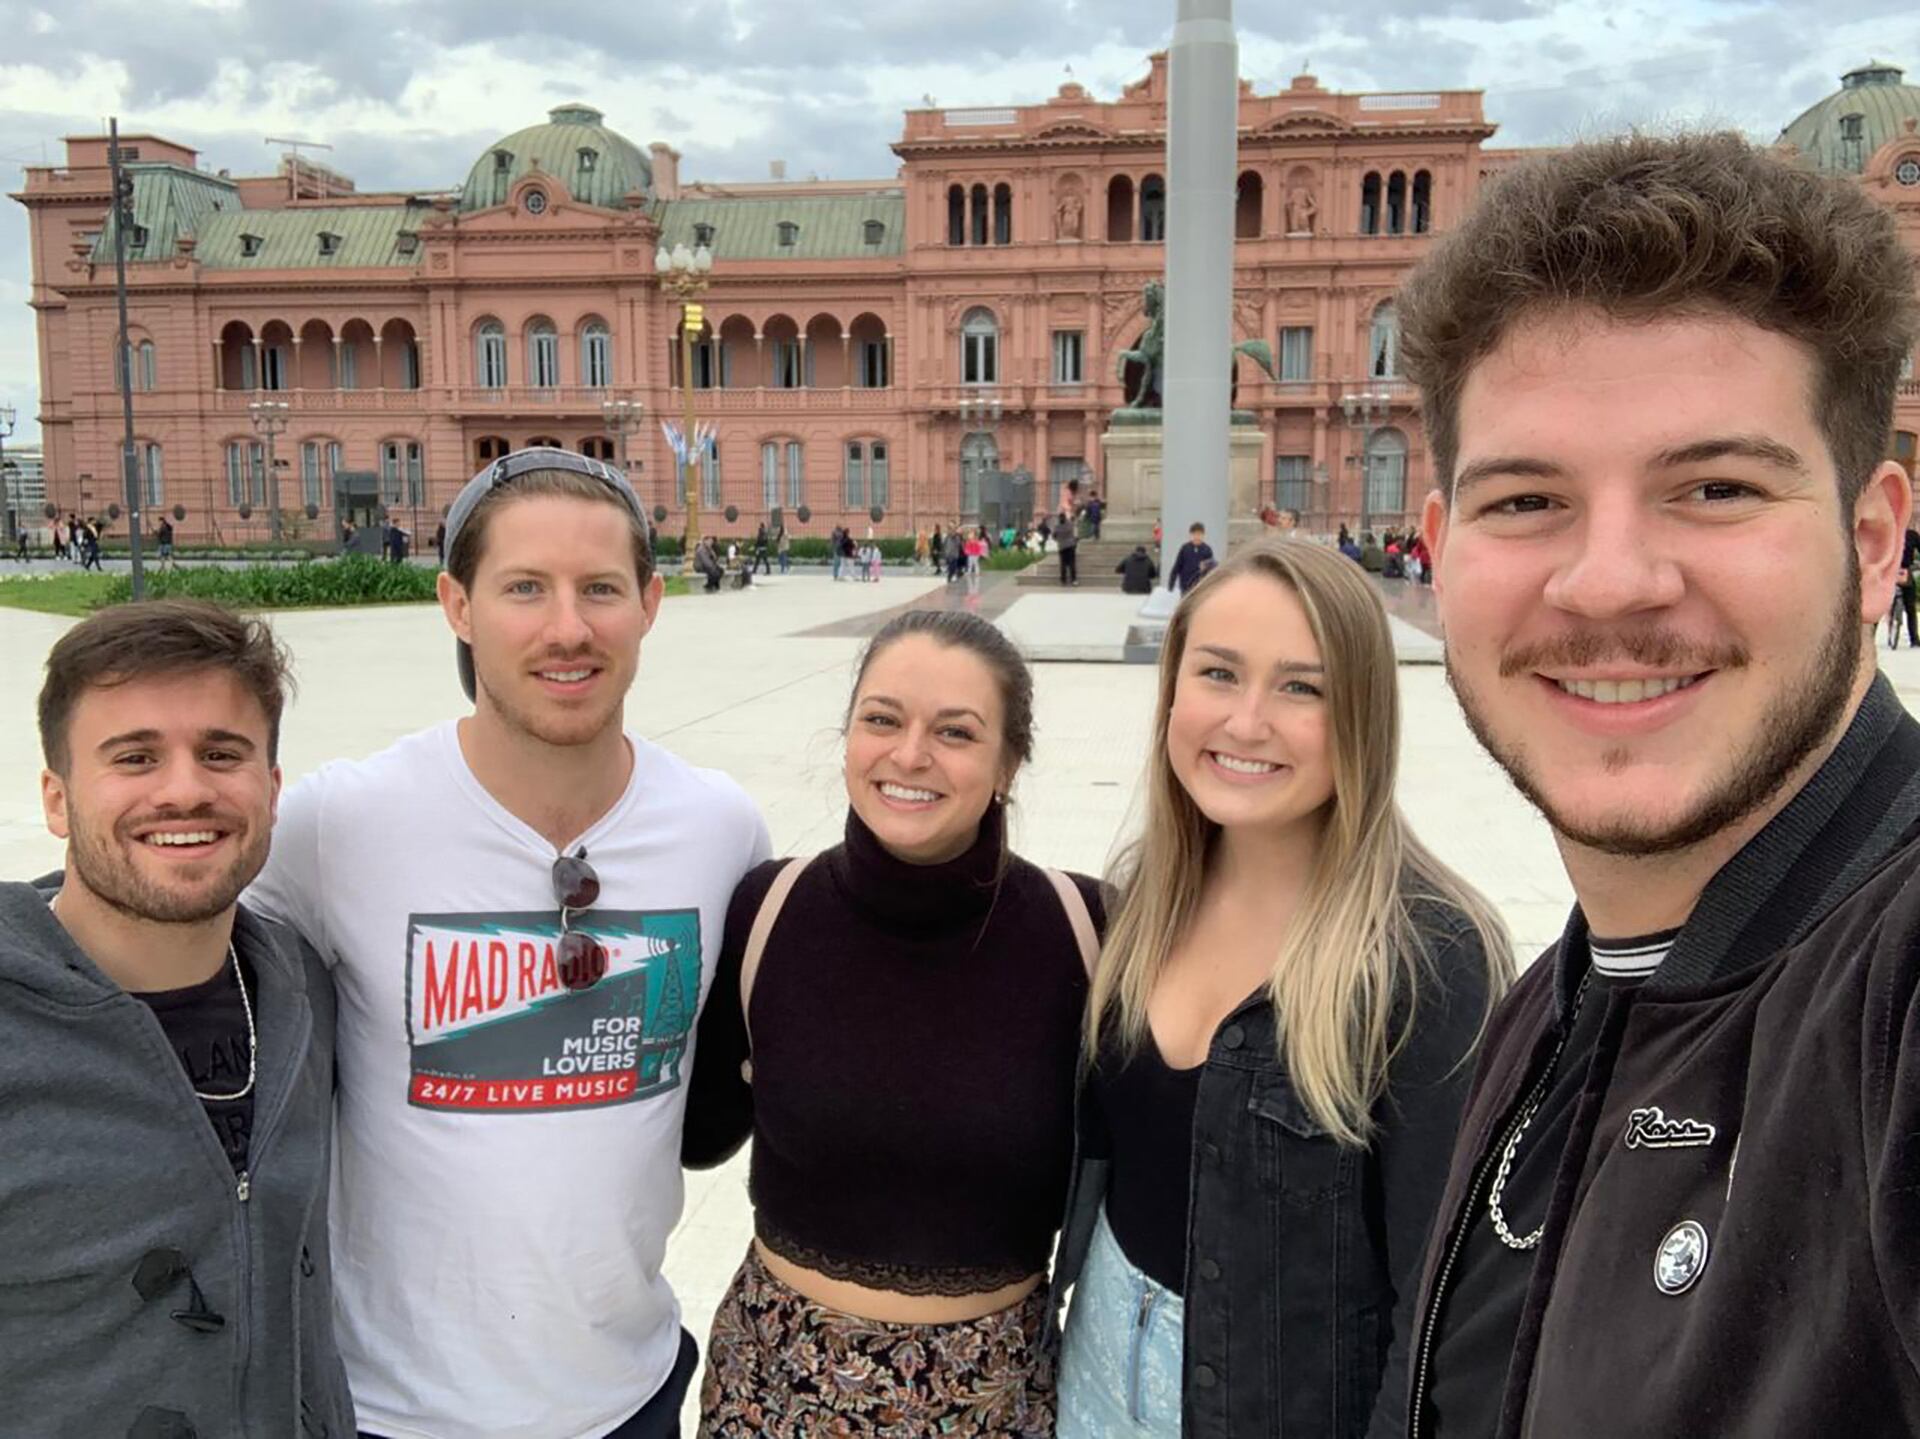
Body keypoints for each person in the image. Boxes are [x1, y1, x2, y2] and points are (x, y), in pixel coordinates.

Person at [1398, 134, 1920, 1438]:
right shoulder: (1545, 1009)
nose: (1611, 580)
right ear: (1440, 552)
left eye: (1715, 487)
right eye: (1528, 500)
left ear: (1872, 538)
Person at [247, 448, 770, 1439]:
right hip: (394, 1410)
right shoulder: (339, 824)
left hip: (631, 1395)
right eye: (525, 587)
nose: (567, 627)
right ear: (457, 603)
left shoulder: (719, 829)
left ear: (651, 603)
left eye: (600, 588)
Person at [1054, 540, 1511, 1438]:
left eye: (1302, 687)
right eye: (1219, 673)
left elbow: (1449, 1310)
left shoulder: (1427, 959)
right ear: (1173, 691)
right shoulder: (1146, 894)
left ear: (1362, 716)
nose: (1247, 720)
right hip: (1096, 1362)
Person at [684, 609, 1104, 1436]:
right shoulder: (769, 911)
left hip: (995, 1400)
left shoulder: (1086, 931)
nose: (909, 755)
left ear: (1007, 762)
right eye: (882, 719)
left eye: (955, 731)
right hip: (777, 1394)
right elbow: (697, 1132)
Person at [0, 599, 353, 1437]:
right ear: (57, 798)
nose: (185, 789)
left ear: (270, 789)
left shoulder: (301, 992)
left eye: (221, 753)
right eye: (135, 756)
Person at [1169, 522, 1214, 593]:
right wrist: (1171, 584)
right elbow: (1177, 567)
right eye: (1194, 534)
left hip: (1200, 587)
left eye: (1199, 534)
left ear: (1203, 535)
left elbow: (1211, 569)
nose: (1197, 537)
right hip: (1185, 586)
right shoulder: (1185, 548)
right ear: (1190, 535)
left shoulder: (1207, 550)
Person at [1055, 508, 1080, 587]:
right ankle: (1074, 580)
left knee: (1063, 564)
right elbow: (1075, 536)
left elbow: (1054, 536)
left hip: (1062, 547)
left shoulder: (1057, 526)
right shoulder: (1070, 524)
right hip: (1070, 546)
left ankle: (1063, 581)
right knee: (1072, 564)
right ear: (1065, 517)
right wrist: (1075, 541)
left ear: (1059, 518)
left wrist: (1059, 540)